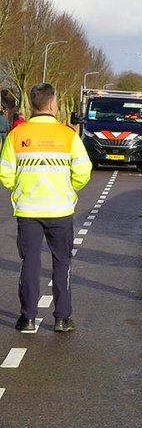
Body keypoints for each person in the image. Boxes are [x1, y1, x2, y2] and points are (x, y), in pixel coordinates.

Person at [0, 83, 91, 333]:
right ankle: (62, 318)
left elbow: (5, 174)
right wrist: (69, 188)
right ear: (52, 104)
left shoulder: (16, 136)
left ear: (32, 105)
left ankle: (27, 318)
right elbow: (83, 171)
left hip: (28, 210)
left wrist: (20, 188)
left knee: (29, 261)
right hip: (60, 209)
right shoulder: (68, 135)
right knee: (62, 262)